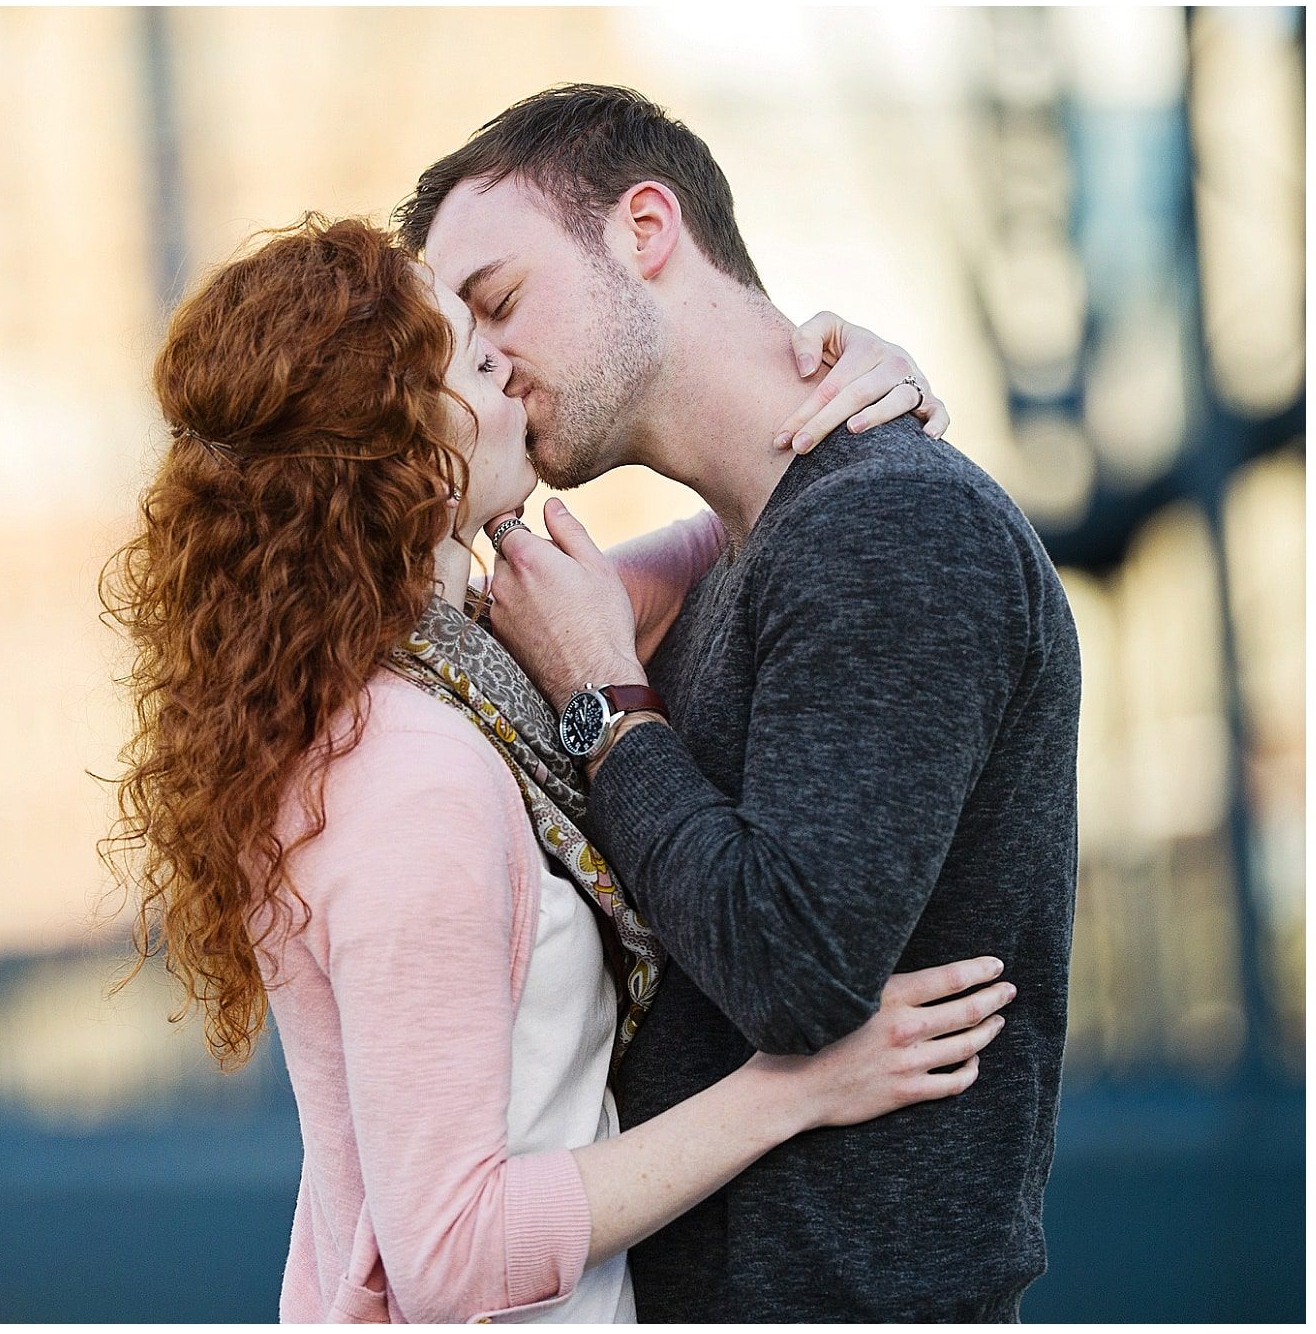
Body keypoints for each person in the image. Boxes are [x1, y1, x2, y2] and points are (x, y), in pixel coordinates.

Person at [103, 213, 1017, 1323]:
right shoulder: (409, 773)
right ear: (405, 450)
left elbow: (748, 530)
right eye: (481, 363)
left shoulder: (450, 673)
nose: (516, 379)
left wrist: (851, 394)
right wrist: (793, 1090)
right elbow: (448, 1256)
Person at [398, 84, 1082, 1321]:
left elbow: (793, 971)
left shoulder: (892, 524)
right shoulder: (754, 548)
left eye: (496, 303)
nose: (484, 362)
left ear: (643, 229)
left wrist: (604, 699)